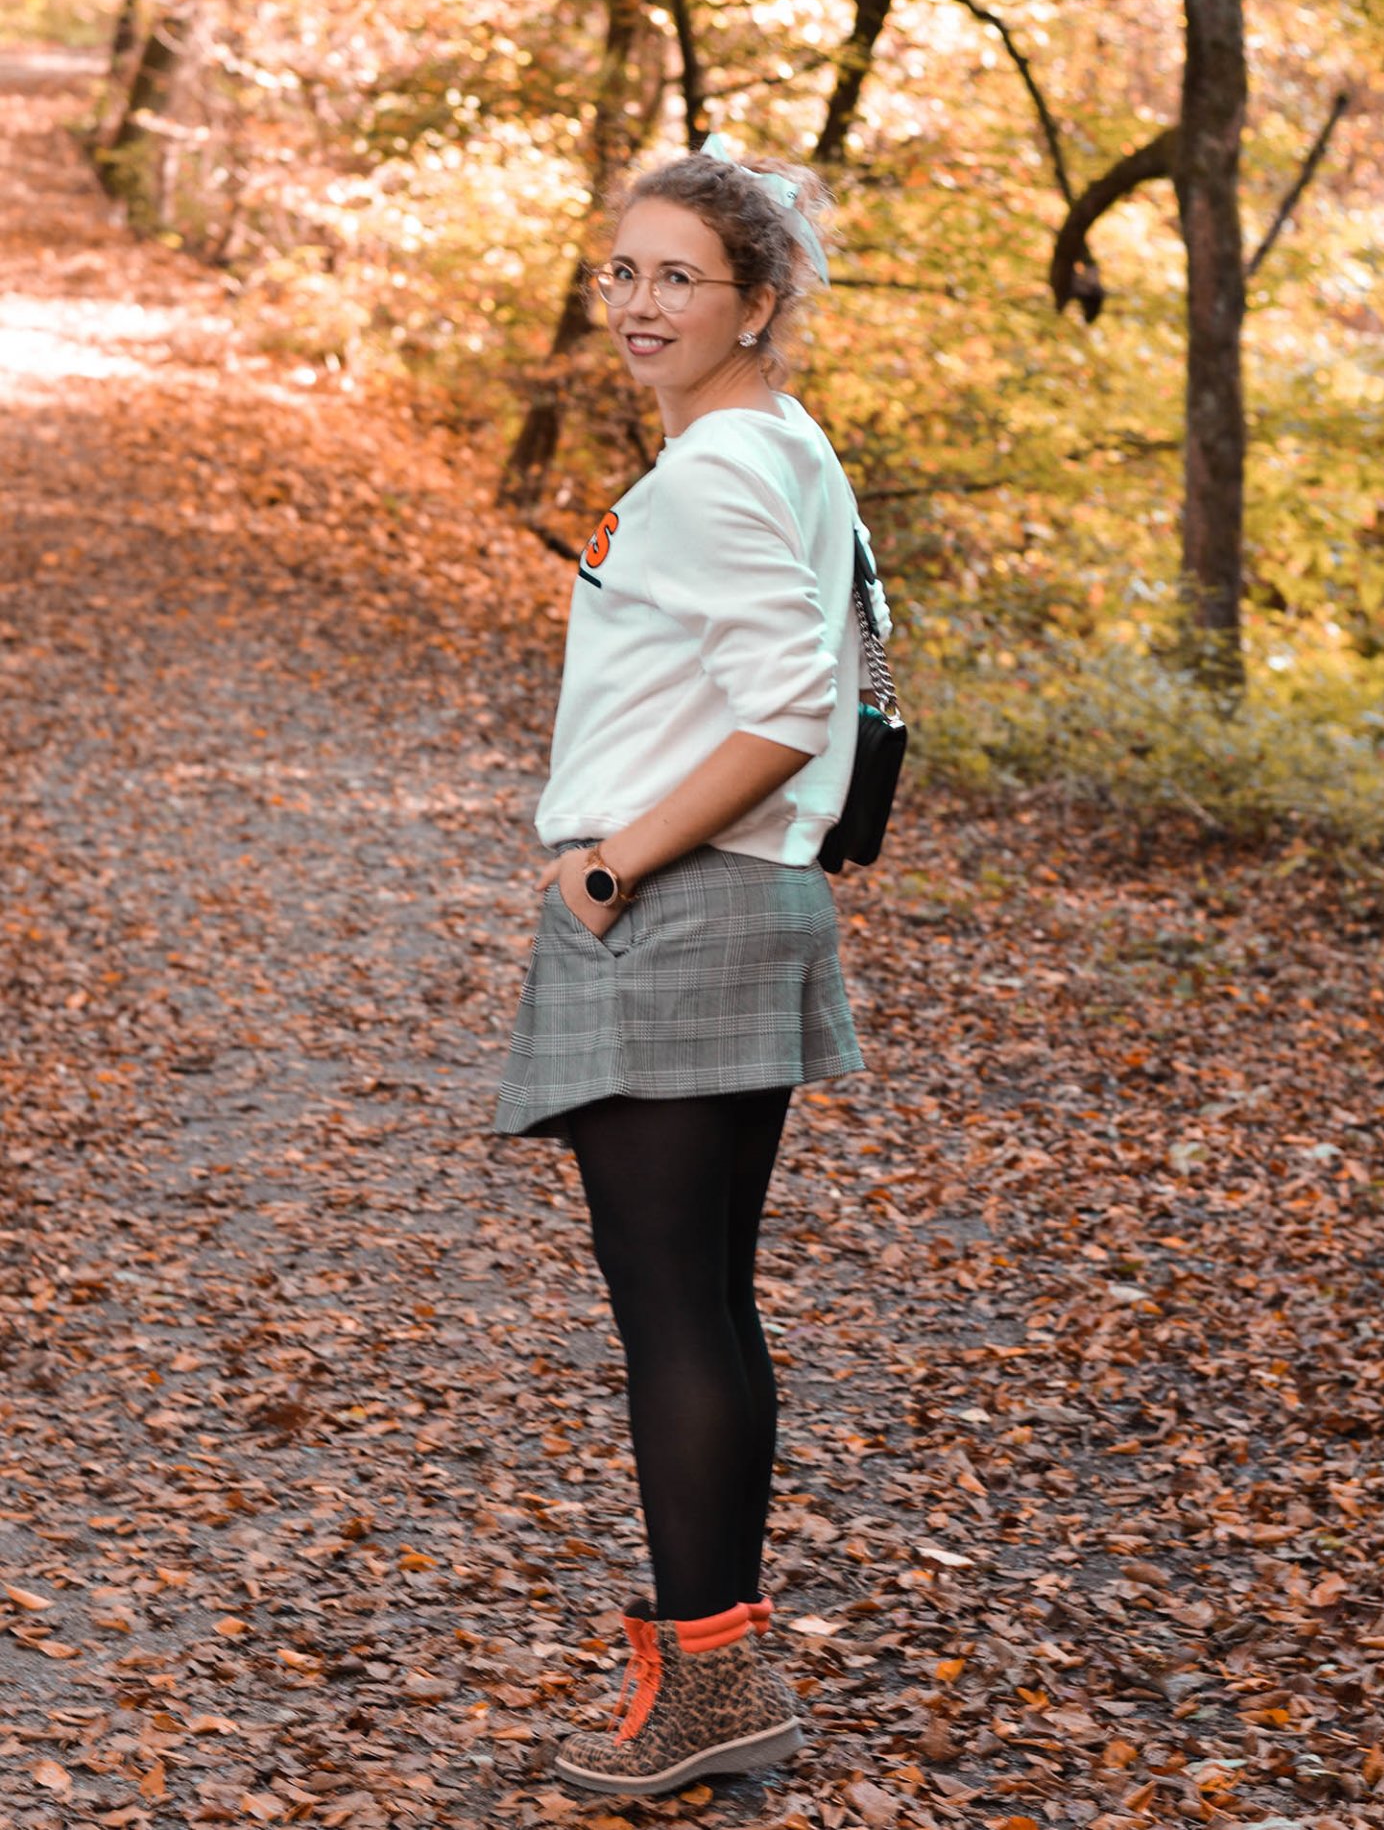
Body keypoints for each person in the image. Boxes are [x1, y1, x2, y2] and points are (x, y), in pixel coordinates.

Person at [493, 134, 890, 1797]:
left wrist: (610, 862)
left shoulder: (725, 465)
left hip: (680, 905)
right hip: (749, 901)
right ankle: (723, 1677)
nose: (644, 303)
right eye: (626, 271)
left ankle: (708, 1691)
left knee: (674, 1316)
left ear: (761, 298)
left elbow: (793, 706)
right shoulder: (777, 443)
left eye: (682, 277)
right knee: (707, 1310)